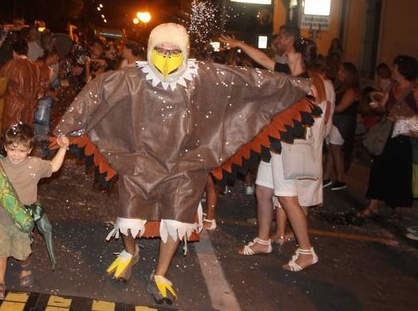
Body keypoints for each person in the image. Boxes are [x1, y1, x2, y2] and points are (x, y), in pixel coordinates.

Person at [57, 23, 313, 303]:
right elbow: (97, 93)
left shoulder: (203, 76)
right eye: (161, 49)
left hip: (185, 165)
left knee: (176, 222)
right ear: (151, 49)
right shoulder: (131, 78)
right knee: (128, 217)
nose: (167, 55)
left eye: (174, 50)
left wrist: (296, 86)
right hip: (140, 162)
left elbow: (250, 82)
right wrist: (65, 128)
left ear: (185, 51)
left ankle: (161, 274)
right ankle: (130, 251)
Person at [220, 34, 321, 271]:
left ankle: (307, 251)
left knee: (287, 198)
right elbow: (263, 59)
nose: (284, 49)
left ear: (295, 53)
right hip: (273, 143)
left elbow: (314, 104)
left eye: (288, 47)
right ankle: (263, 241)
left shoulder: (307, 82)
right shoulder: (287, 72)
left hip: (287, 145)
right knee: (263, 191)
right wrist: (239, 44)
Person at [0, 123, 70, 300]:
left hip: (23, 218)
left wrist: (63, 148)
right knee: (0, 251)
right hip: (1, 217)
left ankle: (25, 265)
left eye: (21, 150)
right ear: (5, 147)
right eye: (12, 149)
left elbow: (54, 167)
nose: (16, 155)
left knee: (22, 252)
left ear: (30, 150)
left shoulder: (34, 165)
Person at [357, 54, 418, 219]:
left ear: (402, 69)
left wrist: (403, 118)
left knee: (399, 171)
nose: (392, 69)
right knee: (378, 167)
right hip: (386, 134)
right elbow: (383, 108)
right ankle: (373, 204)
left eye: (395, 67)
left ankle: (397, 207)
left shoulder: (414, 90)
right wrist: (377, 106)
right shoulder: (392, 86)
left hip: (404, 135)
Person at [0, 38, 50, 131]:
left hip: (13, 110)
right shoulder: (35, 66)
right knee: (24, 136)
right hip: (29, 110)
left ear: (13, 51)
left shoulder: (12, 64)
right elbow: (42, 88)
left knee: (11, 137)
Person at [331, 62, 361, 175]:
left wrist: (325, 107)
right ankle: (328, 177)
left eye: (343, 71)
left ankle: (340, 178)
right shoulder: (341, 87)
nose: (339, 73)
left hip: (343, 123)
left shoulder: (351, 91)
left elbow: (340, 108)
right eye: (339, 70)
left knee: (336, 150)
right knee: (332, 150)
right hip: (338, 121)